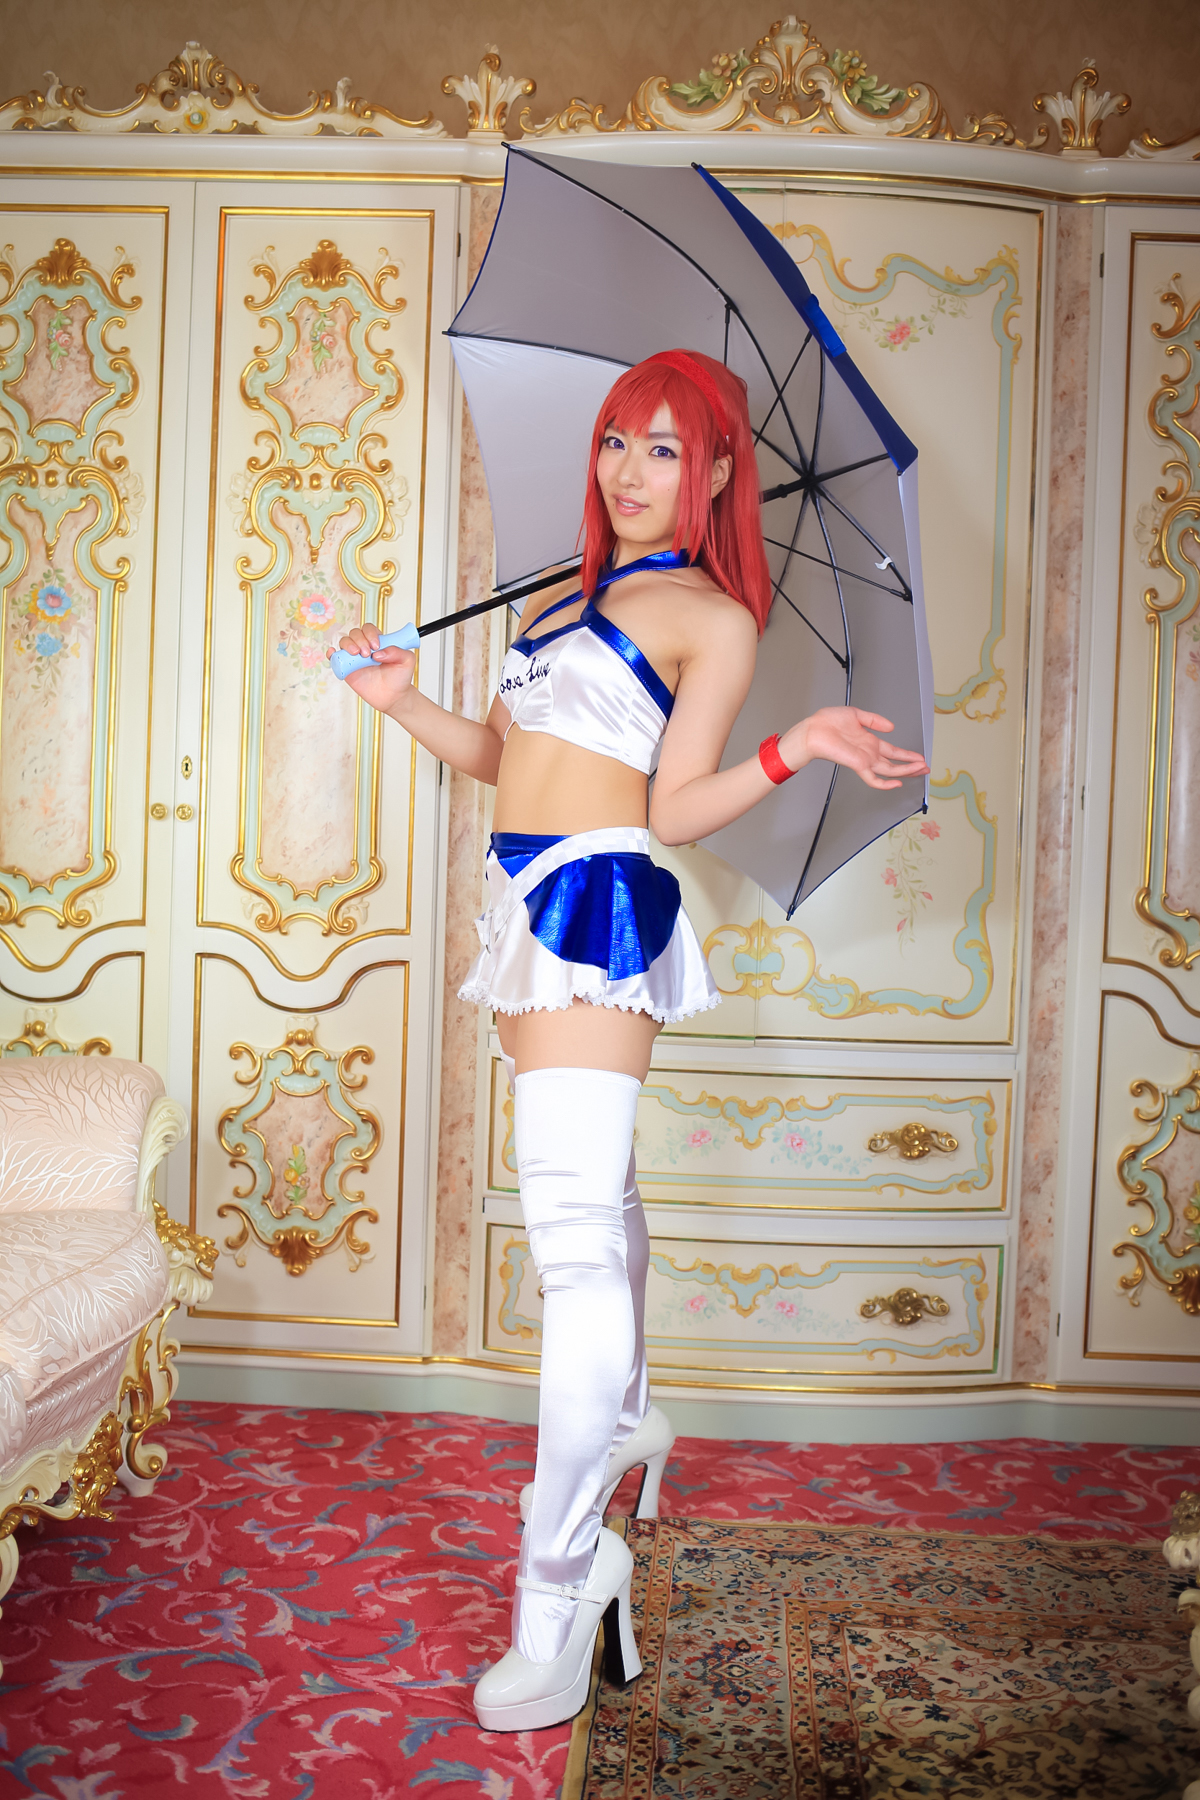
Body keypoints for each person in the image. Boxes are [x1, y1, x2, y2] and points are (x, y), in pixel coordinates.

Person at [332, 348, 929, 1733]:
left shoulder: (713, 616)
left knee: (574, 1241)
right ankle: (633, 1416)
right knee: (600, 1199)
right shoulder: (558, 594)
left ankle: (557, 1596)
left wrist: (795, 747)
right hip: (518, 898)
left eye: (666, 448)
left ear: (717, 471)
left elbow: (666, 805)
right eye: (617, 439)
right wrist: (401, 702)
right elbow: (507, 757)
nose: (630, 469)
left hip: (597, 899)